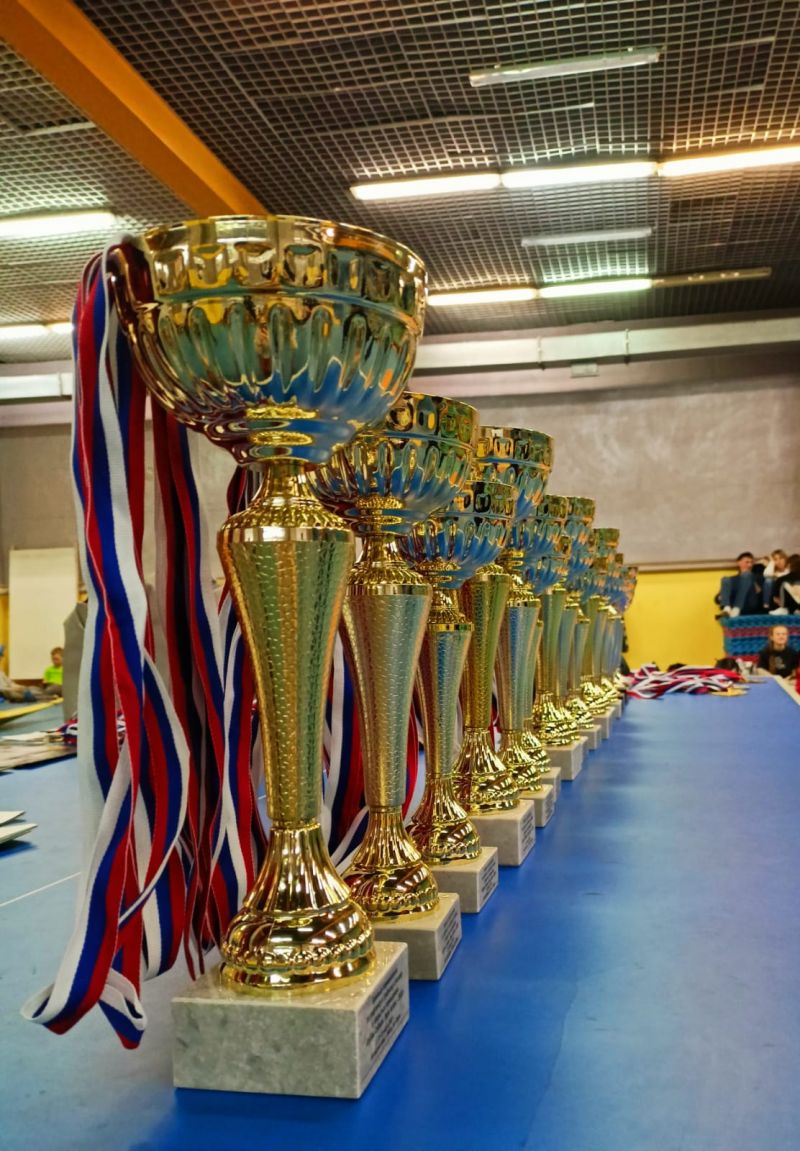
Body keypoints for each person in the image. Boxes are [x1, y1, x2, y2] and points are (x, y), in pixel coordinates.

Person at [718, 552, 765, 617]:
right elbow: (717, 598)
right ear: (739, 562)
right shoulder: (732, 579)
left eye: (751, 563)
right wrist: (721, 597)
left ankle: (737, 608)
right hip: (733, 607)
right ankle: (727, 609)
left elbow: (763, 596)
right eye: (747, 562)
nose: (750, 565)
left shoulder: (758, 577)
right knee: (725, 579)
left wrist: (753, 583)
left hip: (751, 606)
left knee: (747, 575)